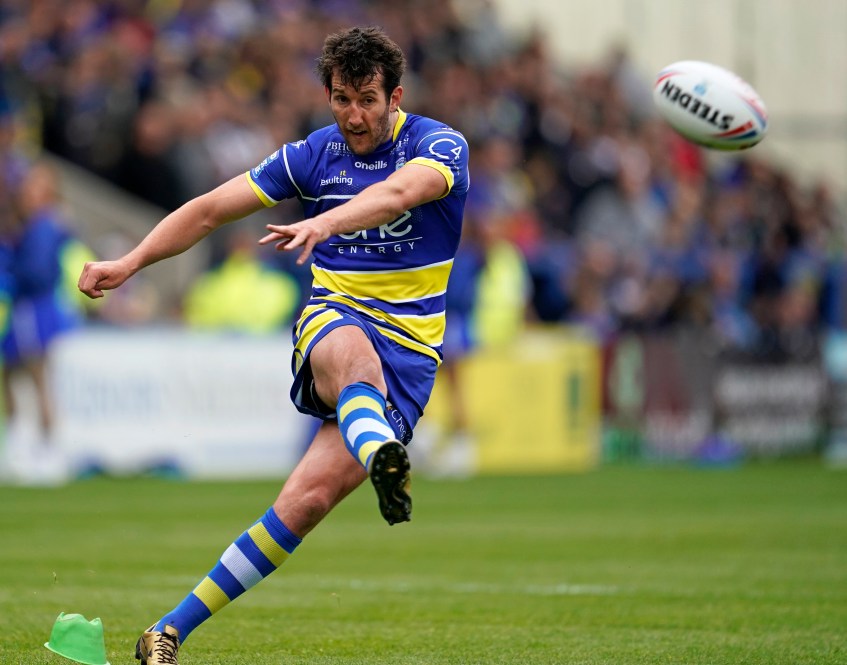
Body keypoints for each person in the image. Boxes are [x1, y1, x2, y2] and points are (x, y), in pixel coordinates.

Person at [77, 26, 469, 665]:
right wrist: (131, 261)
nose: (353, 115)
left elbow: (400, 193)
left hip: (413, 355)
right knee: (355, 360)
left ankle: (165, 632)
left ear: (395, 97)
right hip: (336, 317)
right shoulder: (313, 154)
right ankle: (384, 455)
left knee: (304, 504)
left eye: (367, 100)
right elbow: (210, 209)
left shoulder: (439, 145)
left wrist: (324, 220)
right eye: (341, 99)